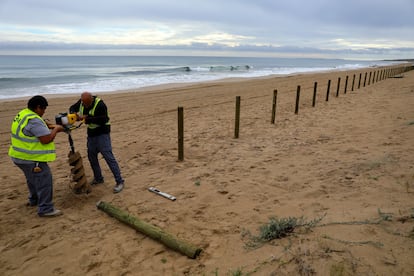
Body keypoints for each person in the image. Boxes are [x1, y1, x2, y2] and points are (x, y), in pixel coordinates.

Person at [9, 95, 65, 217]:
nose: (44, 112)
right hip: (31, 158)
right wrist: (56, 129)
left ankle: (34, 200)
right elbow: (46, 139)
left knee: (32, 178)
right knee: (44, 180)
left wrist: (48, 125)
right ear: (38, 107)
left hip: (18, 156)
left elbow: (36, 126)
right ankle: (46, 209)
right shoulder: (34, 120)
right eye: (43, 109)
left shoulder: (23, 114)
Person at [69, 92, 124, 193]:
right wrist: (74, 114)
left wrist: (85, 119)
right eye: (84, 103)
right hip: (91, 135)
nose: (85, 105)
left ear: (92, 100)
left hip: (102, 134)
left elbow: (103, 119)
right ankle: (98, 178)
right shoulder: (81, 102)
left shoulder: (100, 105)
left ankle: (119, 181)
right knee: (92, 157)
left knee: (108, 157)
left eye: (88, 104)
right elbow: (72, 107)